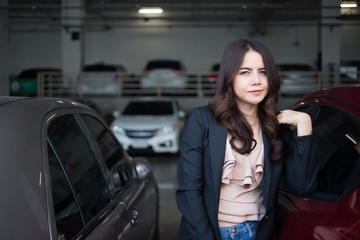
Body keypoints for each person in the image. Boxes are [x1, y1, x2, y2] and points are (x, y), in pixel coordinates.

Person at [176, 39, 319, 240]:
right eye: (245, 72)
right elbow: (188, 191)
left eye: (263, 72)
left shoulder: (276, 126)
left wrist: (304, 124)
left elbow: (304, 186)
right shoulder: (202, 120)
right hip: (212, 234)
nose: (256, 81)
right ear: (229, 77)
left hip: (260, 233)